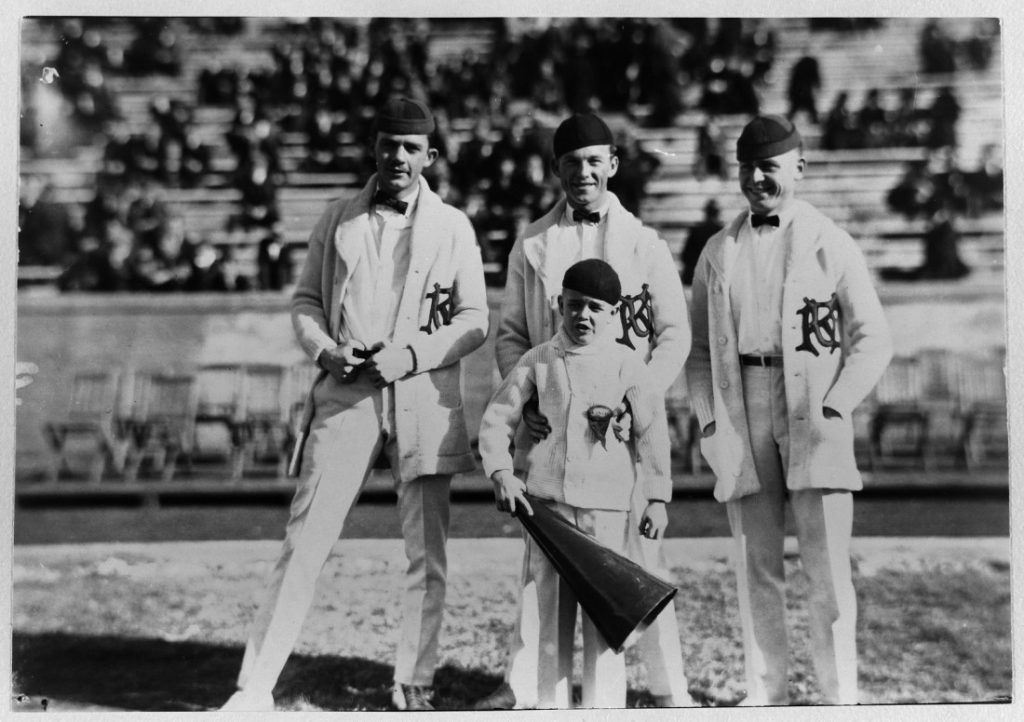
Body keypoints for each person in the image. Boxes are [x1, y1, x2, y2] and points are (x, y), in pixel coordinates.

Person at [220, 96, 489, 712]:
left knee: (427, 552)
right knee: (305, 541)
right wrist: (326, 352)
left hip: (421, 398)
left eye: (411, 148)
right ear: (374, 148)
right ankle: (254, 687)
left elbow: (473, 319)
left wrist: (412, 356)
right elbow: (306, 302)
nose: (398, 157)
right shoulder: (338, 216)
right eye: (388, 144)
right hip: (347, 394)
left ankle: (414, 684)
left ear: (430, 157)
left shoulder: (453, 227)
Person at [474, 112, 693, 710]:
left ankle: (668, 687)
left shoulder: (645, 243)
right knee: (544, 573)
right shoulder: (535, 243)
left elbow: (674, 334)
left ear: (614, 165)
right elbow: (512, 335)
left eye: (595, 161)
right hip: (552, 428)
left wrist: (634, 395)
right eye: (572, 163)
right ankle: (530, 690)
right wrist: (531, 404)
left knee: (631, 566)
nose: (584, 173)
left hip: (623, 426)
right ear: (557, 169)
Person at [685, 115, 893, 706]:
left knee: (826, 568)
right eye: (747, 168)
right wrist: (707, 419)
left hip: (812, 406)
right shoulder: (717, 249)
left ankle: (838, 697)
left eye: (769, 168)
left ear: (799, 168)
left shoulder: (831, 242)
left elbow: (873, 338)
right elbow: (698, 353)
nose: (756, 179)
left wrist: (837, 403)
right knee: (757, 566)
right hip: (742, 404)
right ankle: (765, 694)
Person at [479, 259, 672, 709]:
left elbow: (651, 434)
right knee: (550, 618)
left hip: (608, 508)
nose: (582, 316)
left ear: (615, 312)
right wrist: (502, 471)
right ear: (558, 306)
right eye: (573, 305)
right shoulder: (539, 360)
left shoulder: (628, 364)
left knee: (605, 619)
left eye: (594, 308)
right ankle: (551, 705)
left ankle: (603, 708)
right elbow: (497, 418)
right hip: (547, 509)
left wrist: (657, 498)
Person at [680, 199, 723, 286]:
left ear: (706, 213)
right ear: (717, 213)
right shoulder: (722, 231)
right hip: (715, 279)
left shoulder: (696, 231)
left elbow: (685, 256)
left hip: (695, 277)